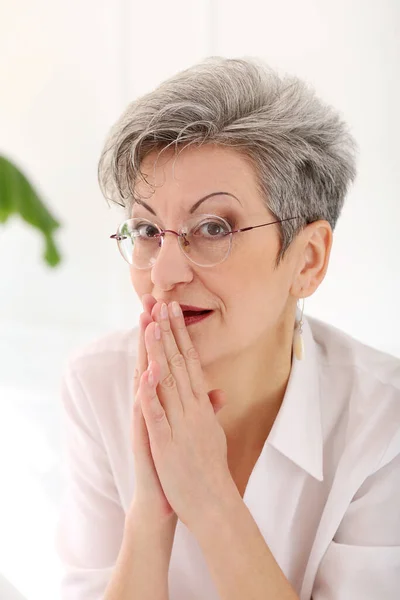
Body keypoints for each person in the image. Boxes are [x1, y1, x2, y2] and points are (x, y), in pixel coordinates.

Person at [55, 57, 400, 600]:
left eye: (213, 227)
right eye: (146, 229)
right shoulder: (96, 383)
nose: (162, 274)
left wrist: (209, 497)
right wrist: (151, 512)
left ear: (307, 259)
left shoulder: (384, 420)